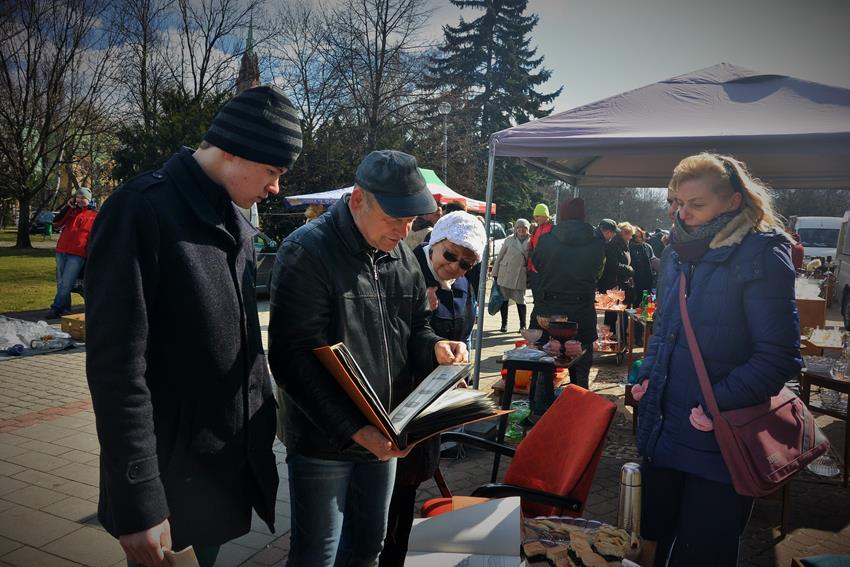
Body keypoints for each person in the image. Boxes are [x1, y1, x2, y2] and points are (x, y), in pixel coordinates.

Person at [84, 85, 302, 567]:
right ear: (230, 152)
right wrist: (140, 496)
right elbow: (117, 369)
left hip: (221, 470)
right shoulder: (140, 209)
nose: (275, 188)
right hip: (169, 478)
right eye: (272, 171)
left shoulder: (234, 219)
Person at [268, 150, 469, 567]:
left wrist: (434, 347)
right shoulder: (308, 251)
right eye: (395, 219)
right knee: (316, 556)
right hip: (324, 436)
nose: (403, 231)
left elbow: (415, 325)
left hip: (387, 428)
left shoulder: (399, 254)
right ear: (358, 199)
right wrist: (353, 430)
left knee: (366, 550)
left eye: (412, 221)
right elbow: (290, 360)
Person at [632, 153, 802, 567]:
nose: (683, 213)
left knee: (702, 555)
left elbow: (778, 357)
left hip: (721, 442)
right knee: (651, 545)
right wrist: (650, 378)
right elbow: (665, 329)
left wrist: (715, 403)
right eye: (677, 202)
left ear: (731, 201)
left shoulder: (761, 252)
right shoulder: (675, 252)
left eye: (696, 204)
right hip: (663, 430)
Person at [379, 211, 486, 567]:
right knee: (388, 487)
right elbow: (391, 339)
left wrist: (459, 364)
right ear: (434, 242)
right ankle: (381, 554)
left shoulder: (463, 284)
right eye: (450, 255)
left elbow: (462, 331)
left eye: (467, 264)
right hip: (399, 398)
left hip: (435, 399)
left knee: (409, 485)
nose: (456, 267)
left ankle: (395, 553)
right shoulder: (404, 273)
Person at [531, 198, 605, 391]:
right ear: (583, 216)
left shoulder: (547, 239)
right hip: (581, 310)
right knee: (581, 367)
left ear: (561, 216)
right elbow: (598, 270)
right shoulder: (596, 242)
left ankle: (540, 411)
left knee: (545, 365)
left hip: (549, 310)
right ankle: (579, 411)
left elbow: (537, 264)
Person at [49, 187, 97, 318]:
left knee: (66, 283)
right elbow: (56, 222)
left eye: (83, 198)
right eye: (78, 197)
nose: (80, 200)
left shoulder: (94, 216)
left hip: (77, 253)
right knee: (61, 283)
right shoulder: (71, 211)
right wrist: (67, 207)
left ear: (89, 199)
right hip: (61, 250)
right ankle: (66, 310)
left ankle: (56, 308)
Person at [492, 218, 530, 332]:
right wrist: (495, 273)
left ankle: (523, 325)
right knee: (504, 300)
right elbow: (500, 257)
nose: (521, 230)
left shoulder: (532, 240)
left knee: (521, 301)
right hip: (505, 273)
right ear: (515, 229)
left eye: (524, 228)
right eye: (519, 227)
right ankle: (504, 324)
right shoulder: (509, 239)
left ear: (528, 229)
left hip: (520, 274)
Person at [629, 227, 656, 345]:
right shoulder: (629, 247)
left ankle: (648, 336)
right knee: (637, 310)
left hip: (648, 281)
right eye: (636, 236)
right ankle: (637, 337)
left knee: (648, 309)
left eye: (641, 236)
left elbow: (653, 260)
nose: (639, 239)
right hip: (635, 283)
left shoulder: (647, 247)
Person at [526, 203, 553, 302]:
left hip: (547, 269)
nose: (536, 219)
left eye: (538, 216)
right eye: (535, 216)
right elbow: (531, 248)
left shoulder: (553, 229)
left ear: (545, 216)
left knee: (545, 298)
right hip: (534, 270)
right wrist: (529, 267)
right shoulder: (535, 230)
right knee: (536, 297)